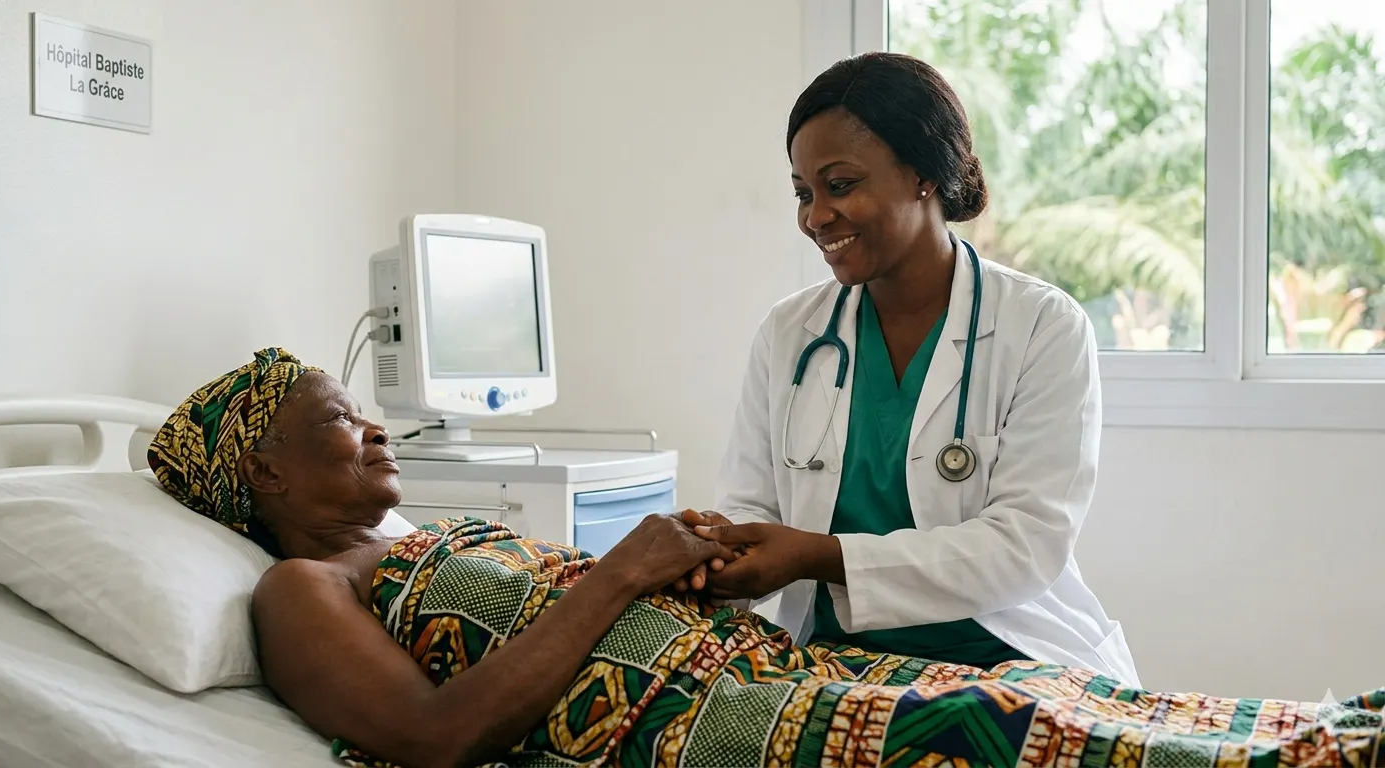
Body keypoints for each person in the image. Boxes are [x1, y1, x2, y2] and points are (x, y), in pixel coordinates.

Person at [148, 348, 1385, 768]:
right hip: (714, 734)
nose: (371, 425)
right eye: (335, 419)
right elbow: (431, 739)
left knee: (1053, 700)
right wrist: (621, 574)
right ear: (260, 470)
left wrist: (685, 563)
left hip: (773, 677)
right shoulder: (300, 587)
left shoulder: (436, 538)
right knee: (1006, 736)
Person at [684, 50, 1140, 687]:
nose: (815, 216)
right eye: (803, 193)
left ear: (923, 172)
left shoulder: (1041, 324)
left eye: (840, 185)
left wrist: (818, 556)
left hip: (1007, 657)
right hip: (827, 660)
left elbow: (1026, 545)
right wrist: (712, 547)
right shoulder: (791, 334)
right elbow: (751, 507)